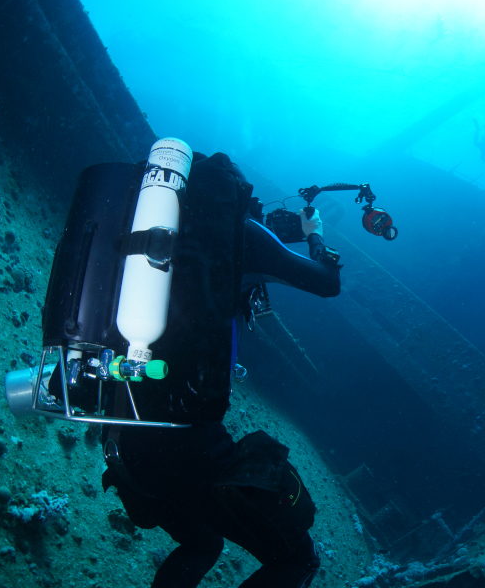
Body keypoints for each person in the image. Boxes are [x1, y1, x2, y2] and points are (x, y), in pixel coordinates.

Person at [95, 151, 340, 588]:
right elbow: (327, 282)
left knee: (202, 542)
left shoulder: (152, 232)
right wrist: (314, 233)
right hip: (183, 445)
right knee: (298, 558)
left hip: (120, 431)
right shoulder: (238, 237)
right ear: (234, 199)